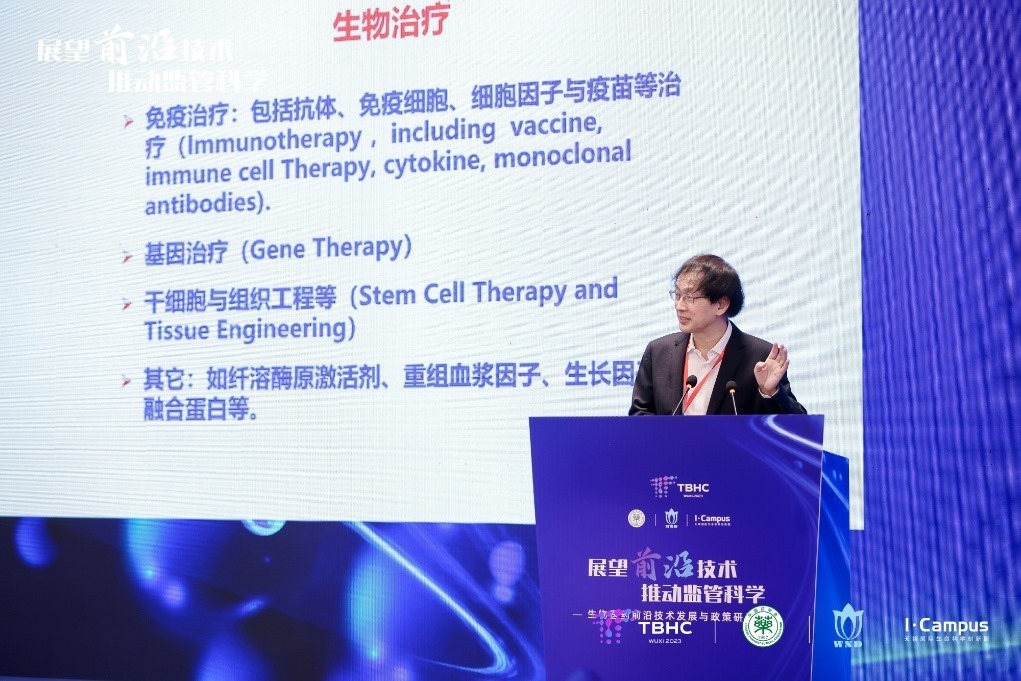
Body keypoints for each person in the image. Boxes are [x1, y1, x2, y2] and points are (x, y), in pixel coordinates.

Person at [629, 254, 806, 416]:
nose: (679, 306)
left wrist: (770, 392)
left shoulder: (760, 356)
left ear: (721, 305)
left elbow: (796, 425)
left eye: (689, 297)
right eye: (678, 295)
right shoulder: (659, 352)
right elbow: (640, 414)